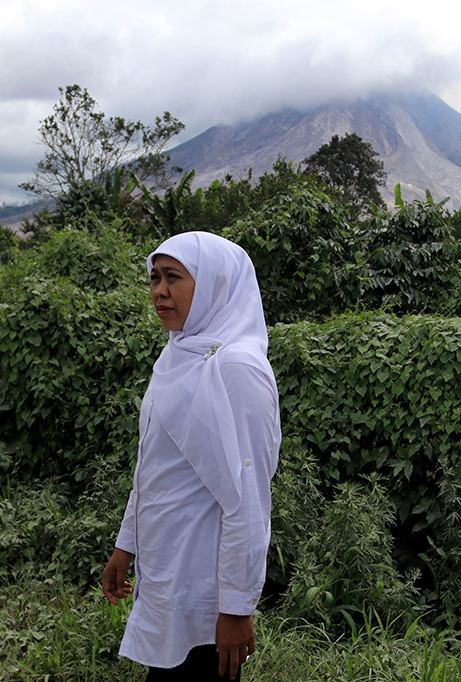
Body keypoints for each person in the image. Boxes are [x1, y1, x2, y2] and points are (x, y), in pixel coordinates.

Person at [101, 231, 281, 681]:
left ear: (215, 284)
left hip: (206, 592)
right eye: (154, 277)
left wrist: (237, 607)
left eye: (174, 277)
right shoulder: (177, 355)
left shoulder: (236, 368)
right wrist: (128, 546)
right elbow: (154, 467)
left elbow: (248, 499)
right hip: (167, 576)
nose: (159, 290)